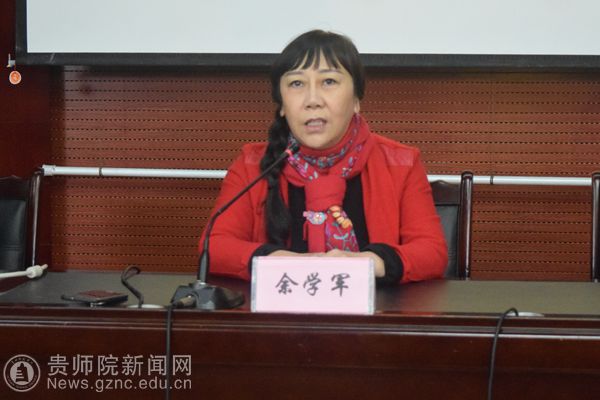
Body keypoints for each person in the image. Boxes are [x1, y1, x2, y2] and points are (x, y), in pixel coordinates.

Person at [201, 30, 447, 284]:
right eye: (297, 84)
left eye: (329, 81)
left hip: (378, 308)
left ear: (356, 100)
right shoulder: (253, 165)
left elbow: (432, 251)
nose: (313, 100)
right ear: (282, 105)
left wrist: (370, 263)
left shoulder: (400, 163)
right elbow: (214, 247)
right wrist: (280, 261)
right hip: (279, 307)